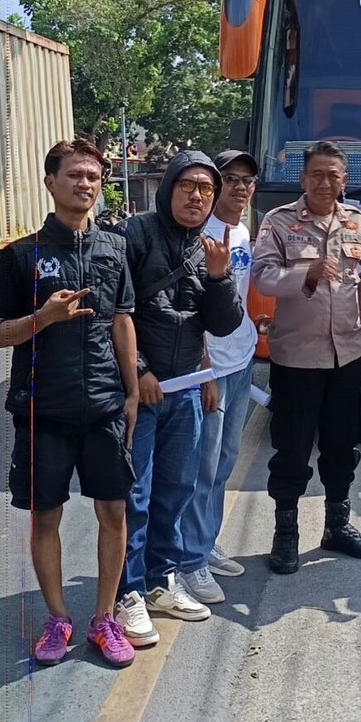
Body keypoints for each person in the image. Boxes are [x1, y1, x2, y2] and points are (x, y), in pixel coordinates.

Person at [0, 139, 140, 669]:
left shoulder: (115, 248)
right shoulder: (22, 254)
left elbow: (122, 321)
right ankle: (58, 619)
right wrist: (43, 318)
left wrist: (131, 392)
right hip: (42, 409)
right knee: (46, 514)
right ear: (50, 182)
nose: (85, 184)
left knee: (114, 510)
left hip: (103, 405)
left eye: (93, 176)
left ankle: (104, 619)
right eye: (75, 175)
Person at [114, 152, 242, 640]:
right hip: (139, 394)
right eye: (188, 185)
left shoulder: (208, 247)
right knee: (137, 496)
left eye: (206, 189)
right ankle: (127, 593)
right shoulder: (135, 235)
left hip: (184, 391)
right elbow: (112, 312)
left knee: (176, 490)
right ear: (169, 186)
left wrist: (220, 277)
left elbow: (223, 324)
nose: (197, 196)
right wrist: (138, 370)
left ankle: (159, 580)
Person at [250, 140, 361, 575]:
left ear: (344, 180)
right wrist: (304, 273)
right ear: (303, 178)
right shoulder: (279, 222)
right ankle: (285, 534)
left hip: (346, 356)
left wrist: (360, 314)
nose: (325, 183)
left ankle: (337, 526)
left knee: (342, 446)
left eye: (333, 175)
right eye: (317, 175)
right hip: (296, 359)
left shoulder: (357, 223)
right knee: (291, 451)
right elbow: (262, 277)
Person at [175, 150, 261, 605]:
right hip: (212, 367)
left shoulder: (242, 231)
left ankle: (205, 543)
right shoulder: (199, 234)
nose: (241, 187)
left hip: (242, 360)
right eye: (231, 179)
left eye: (248, 179)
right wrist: (204, 370)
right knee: (202, 466)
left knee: (225, 461)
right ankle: (189, 561)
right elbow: (192, 312)